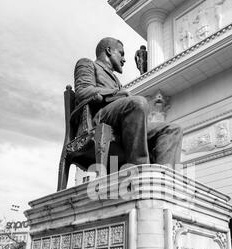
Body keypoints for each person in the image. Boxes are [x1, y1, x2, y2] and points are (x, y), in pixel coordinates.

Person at [72, 37, 182, 168]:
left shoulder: (116, 80)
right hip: (99, 119)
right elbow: (82, 91)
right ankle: (139, 167)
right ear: (108, 50)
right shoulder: (87, 63)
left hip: (123, 121)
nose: (124, 59)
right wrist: (115, 93)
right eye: (121, 53)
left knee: (172, 129)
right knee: (138, 103)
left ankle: (164, 179)